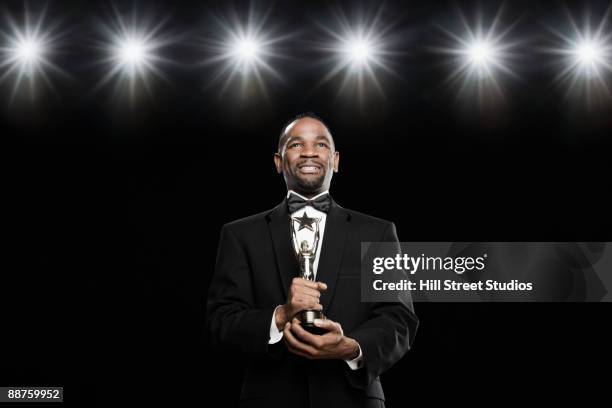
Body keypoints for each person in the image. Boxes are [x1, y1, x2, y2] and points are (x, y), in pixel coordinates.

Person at [206, 113, 418, 408]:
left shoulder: (378, 232)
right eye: (296, 144)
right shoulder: (239, 235)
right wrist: (280, 315)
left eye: (320, 144)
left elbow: (398, 319)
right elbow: (221, 322)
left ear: (336, 160)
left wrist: (350, 348)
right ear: (278, 161)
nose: (308, 151)